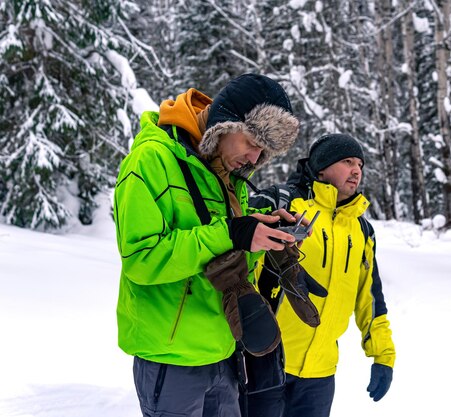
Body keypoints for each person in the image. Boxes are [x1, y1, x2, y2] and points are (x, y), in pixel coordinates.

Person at [114, 73, 311, 417]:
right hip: (171, 358)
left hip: (224, 353)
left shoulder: (230, 175)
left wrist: (266, 229)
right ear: (225, 123)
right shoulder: (151, 161)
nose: (254, 158)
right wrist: (233, 233)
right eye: (252, 142)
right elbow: (141, 259)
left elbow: (228, 257)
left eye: (264, 150)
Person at [248, 133, 396, 417]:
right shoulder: (284, 204)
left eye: (360, 165)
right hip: (265, 361)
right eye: (347, 161)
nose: (356, 171)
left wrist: (383, 355)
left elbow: (370, 298)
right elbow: (234, 266)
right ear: (321, 169)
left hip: (320, 373)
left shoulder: (361, 230)